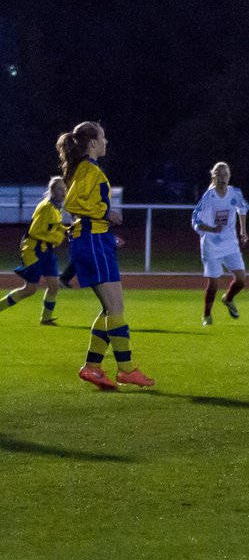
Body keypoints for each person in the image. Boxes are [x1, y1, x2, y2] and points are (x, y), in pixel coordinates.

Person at [59, 122, 154, 390]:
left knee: (110, 308)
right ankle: (126, 369)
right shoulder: (89, 168)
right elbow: (71, 203)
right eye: (103, 137)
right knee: (116, 308)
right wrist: (105, 215)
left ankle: (93, 368)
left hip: (94, 240)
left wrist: (107, 234)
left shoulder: (86, 169)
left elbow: (81, 210)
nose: (106, 141)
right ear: (92, 143)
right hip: (91, 242)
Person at [2, 176, 70, 324]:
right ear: (52, 190)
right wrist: (58, 237)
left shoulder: (56, 208)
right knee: (30, 289)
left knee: (54, 286)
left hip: (47, 251)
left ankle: (45, 319)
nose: (63, 192)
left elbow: (53, 227)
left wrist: (67, 230)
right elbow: (34, 232)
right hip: (34, 249)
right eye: (60, 189)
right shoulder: (46, 207)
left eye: (64, 189)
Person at [191, 162, 249, 326]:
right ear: (214, 176)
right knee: (214, 283)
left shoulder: (234, 193)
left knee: (241, 280)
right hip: (211, 244)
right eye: (220, 175)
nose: (223, 178)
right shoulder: (209, 197)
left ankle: (228, 299)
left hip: (230, 243)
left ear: (229, 176)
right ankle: (206, 315)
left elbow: (242, 208)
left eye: (226, 175)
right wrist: (211, 229)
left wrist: (243, 231)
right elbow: (195, 220)